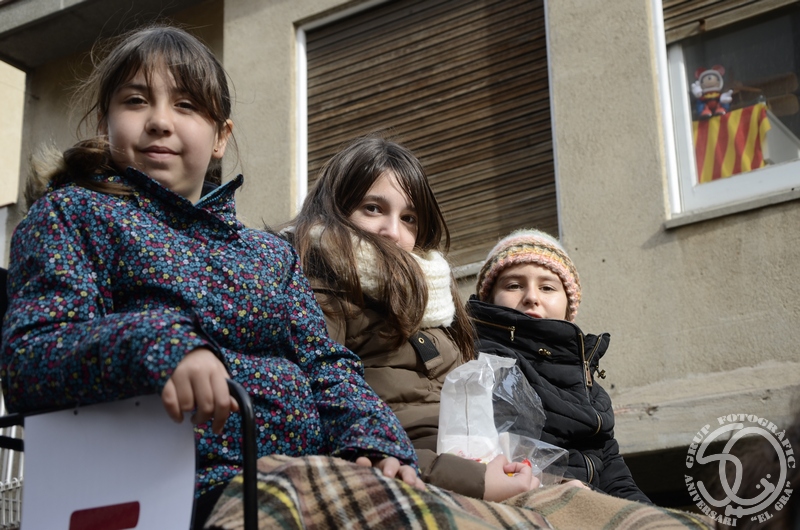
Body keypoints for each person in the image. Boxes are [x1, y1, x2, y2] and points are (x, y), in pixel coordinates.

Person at [0, 25, 420, 528]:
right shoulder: (72, 216)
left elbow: (325, 364)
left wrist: (374, 441)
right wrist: (164, 345)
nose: (159, 121)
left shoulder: (269, 255)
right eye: (135, 101)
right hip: (167, 494)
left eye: (186, 105)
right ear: (103, 122)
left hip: (303, 478)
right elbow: (32, 355)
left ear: (221, 136)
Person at [285, 134, 539, 502]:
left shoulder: (436, 298)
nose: (393, 232)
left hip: (478, 470)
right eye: (373, 208)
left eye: (409, 218)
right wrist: (473, 480)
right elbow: (335, 432)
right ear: (334, 208)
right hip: (414, 483)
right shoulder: (318, 293)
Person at [467, 229, 651, 503]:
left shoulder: (587, 384)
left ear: (568, 306)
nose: (531, 297)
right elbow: (511, 455)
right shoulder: (484, 363)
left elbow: (613, 471)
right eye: (514, 285)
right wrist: (564, 486)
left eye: (547, 287)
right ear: (489, 298)